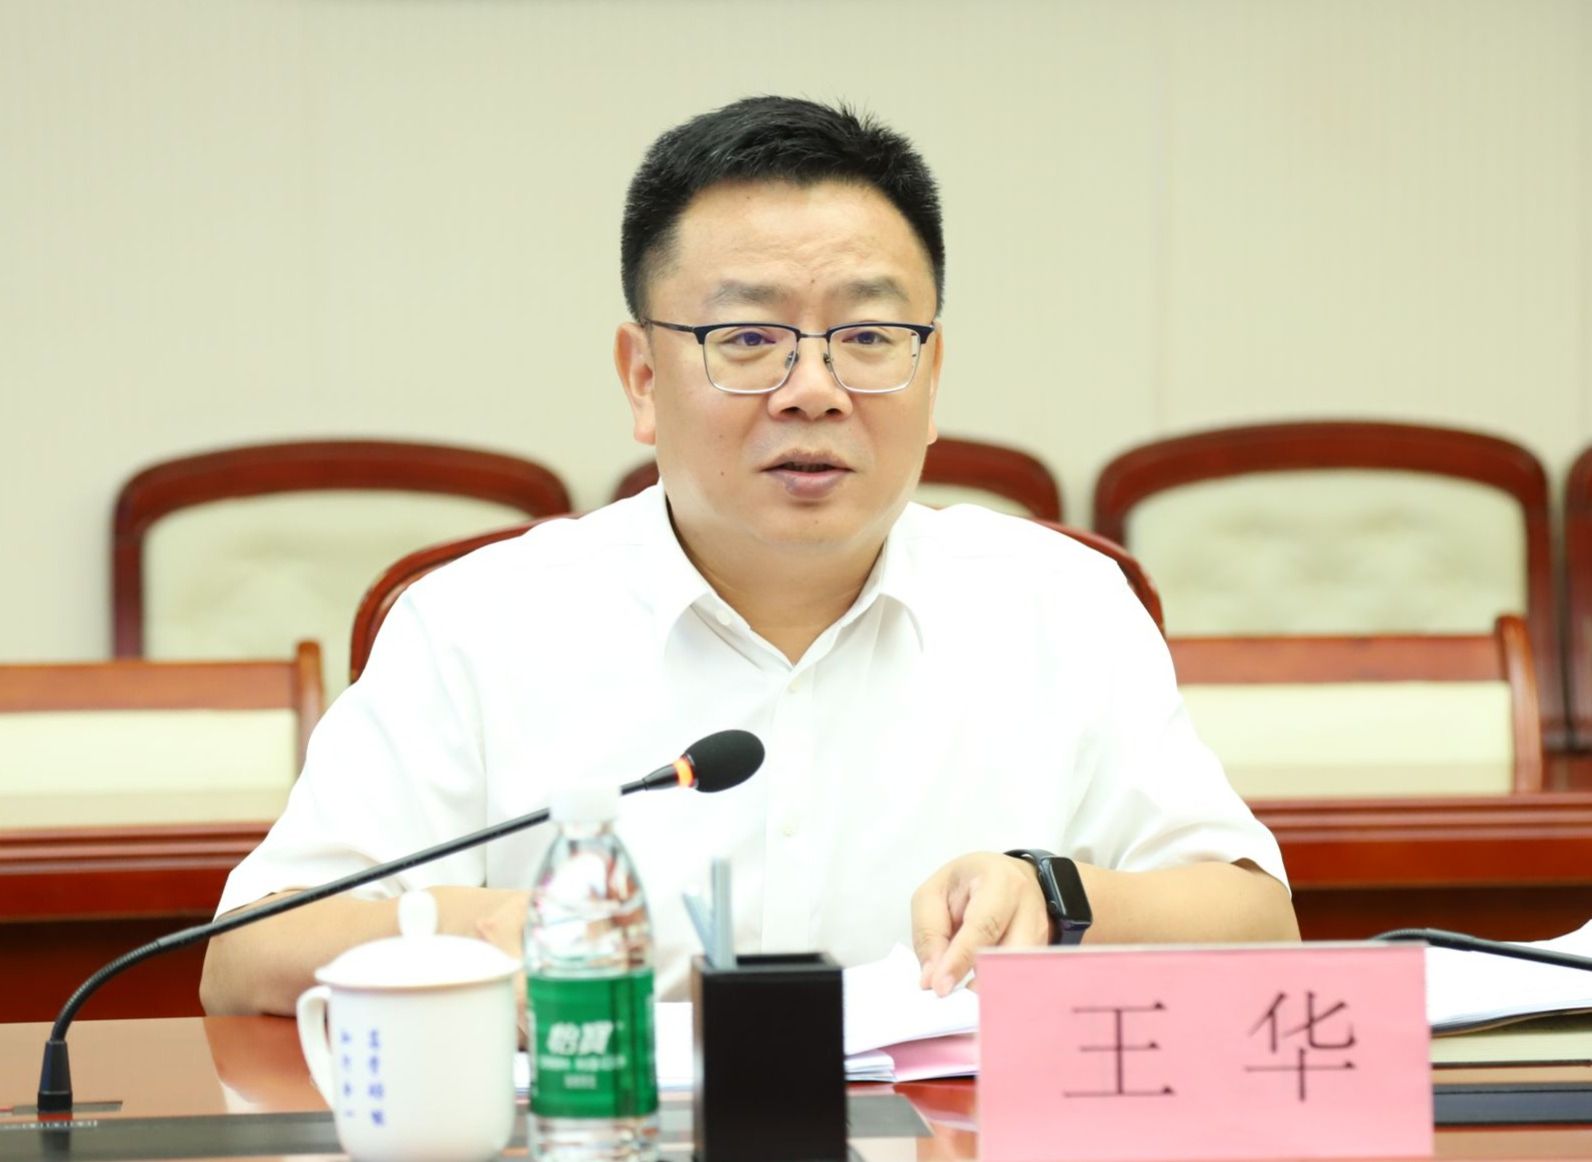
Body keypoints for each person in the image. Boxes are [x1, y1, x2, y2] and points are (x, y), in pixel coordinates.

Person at [200, 96, 1296, 1017]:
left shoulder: (1060, 605)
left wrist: (1053, 893)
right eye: (748, 340)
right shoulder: (479, 621)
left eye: (868, 338)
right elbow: (245, 956)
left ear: (931, 376)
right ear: (642, 378)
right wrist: (478, 926)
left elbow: (1256, 922)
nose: (813, 390)